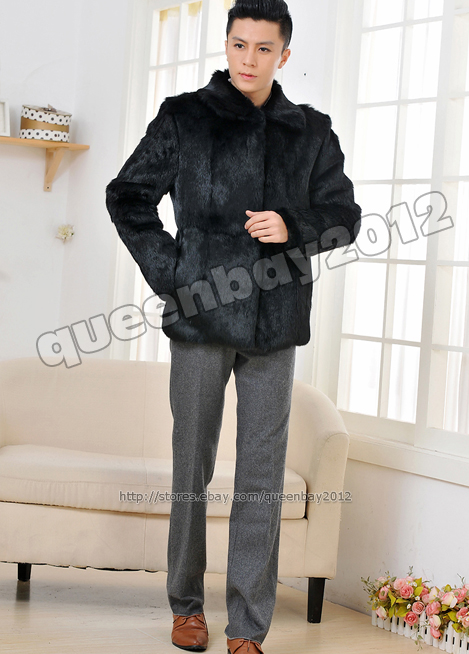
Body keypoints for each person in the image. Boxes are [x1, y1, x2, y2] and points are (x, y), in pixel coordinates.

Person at [106, 1, 362, 652]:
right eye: (239, 44)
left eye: (263, 48)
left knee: (261, 475)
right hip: (200, 316)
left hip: (277, 323)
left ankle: (248, 626)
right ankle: (186, 605)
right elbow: (127, 196)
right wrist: (175, 275)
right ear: (225, 45)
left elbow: (344, 218)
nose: (249, 59)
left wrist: (293, 227)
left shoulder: (311, 131)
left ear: (284, 55)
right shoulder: (184, 118)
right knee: (190, 464)